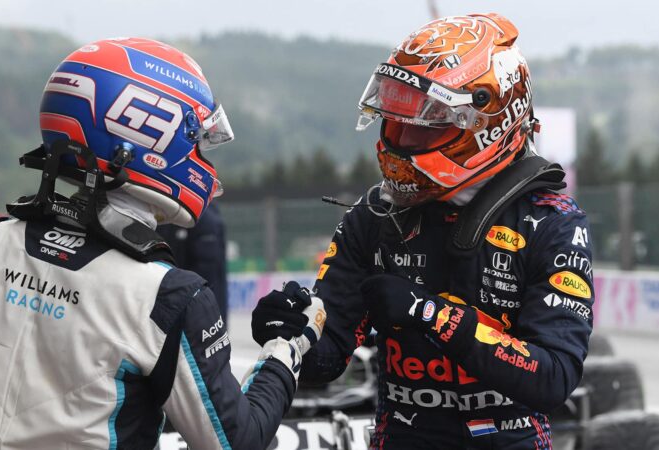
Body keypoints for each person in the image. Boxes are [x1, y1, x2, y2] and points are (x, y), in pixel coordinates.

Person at [0, 38, 325, 450]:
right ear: (146, 135)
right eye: (196, 140)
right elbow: (234, 440)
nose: (201, 158)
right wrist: (287, 349)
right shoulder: (168, 294)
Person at [252, 13, 593, 449]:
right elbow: (328, 358)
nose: (401, 137)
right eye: (397, 120)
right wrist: (291, 331)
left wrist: (430, 314)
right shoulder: (373, 216)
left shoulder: (553, 223)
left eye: (424, 123)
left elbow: (555, 377)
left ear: (488, 123)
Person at [157, 202, 228, 321]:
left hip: (196, 313)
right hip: (188, 307)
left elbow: (207, 276)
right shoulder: (181, 211)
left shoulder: (201, 216)